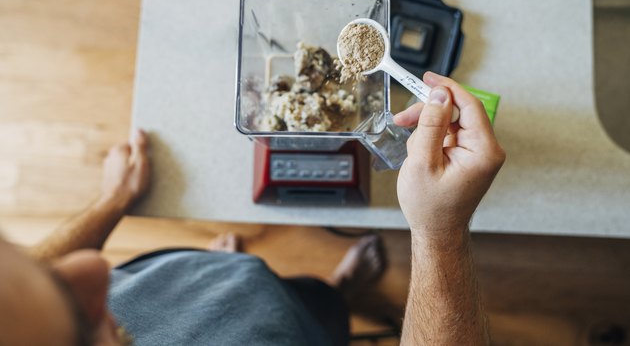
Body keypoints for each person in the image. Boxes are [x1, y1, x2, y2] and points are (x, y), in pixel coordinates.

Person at [0, 72, 505, 345]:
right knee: (318, 323)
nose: (95, 267)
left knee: (262, 283)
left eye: (43, 272)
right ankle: (333, 299)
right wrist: (440, 233)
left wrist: (114, 201)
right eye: (78, 325)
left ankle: (314, 288)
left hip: (198, 283)